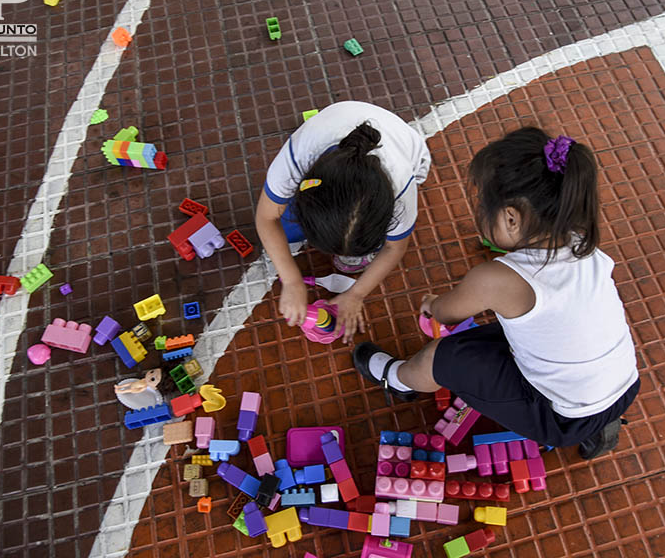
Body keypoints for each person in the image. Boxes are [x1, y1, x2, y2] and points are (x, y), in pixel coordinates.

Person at [353, 127, 640, 458]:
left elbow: (446, 313)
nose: (478, 208)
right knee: (516, 336)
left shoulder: (494, 278)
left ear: (511, 220)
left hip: (558, 415)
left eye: (482, 203)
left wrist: (433, 304)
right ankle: (601, 423)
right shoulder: (581, 243)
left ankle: (398, 380)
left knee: (440, 357)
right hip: (622, 385)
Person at [256, 101, 431, 342]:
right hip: (336, 128)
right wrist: (291, 279)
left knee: (290, 231)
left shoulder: (401, 190)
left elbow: (395, 246)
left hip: (406, 147)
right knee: (282, 229)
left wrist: (356, 294)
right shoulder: (296, 158)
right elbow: (266, 217)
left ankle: (360, 246)